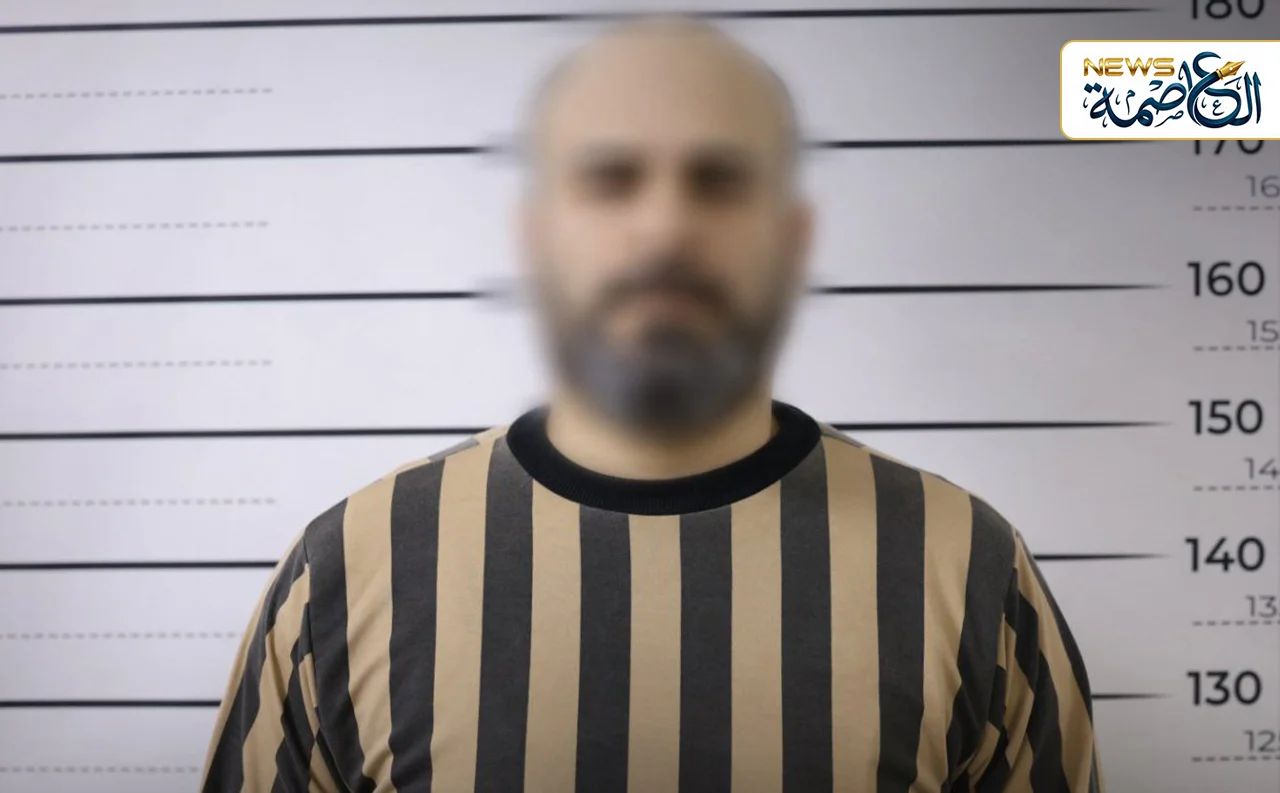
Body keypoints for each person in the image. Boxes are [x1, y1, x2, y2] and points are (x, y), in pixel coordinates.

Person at [201, 15, 1103, 793]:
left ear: (793, 238)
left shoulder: (966, 565)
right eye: (611, 178)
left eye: (719, 179)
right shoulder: (349, 570)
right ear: (536, 236)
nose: (666, 227)